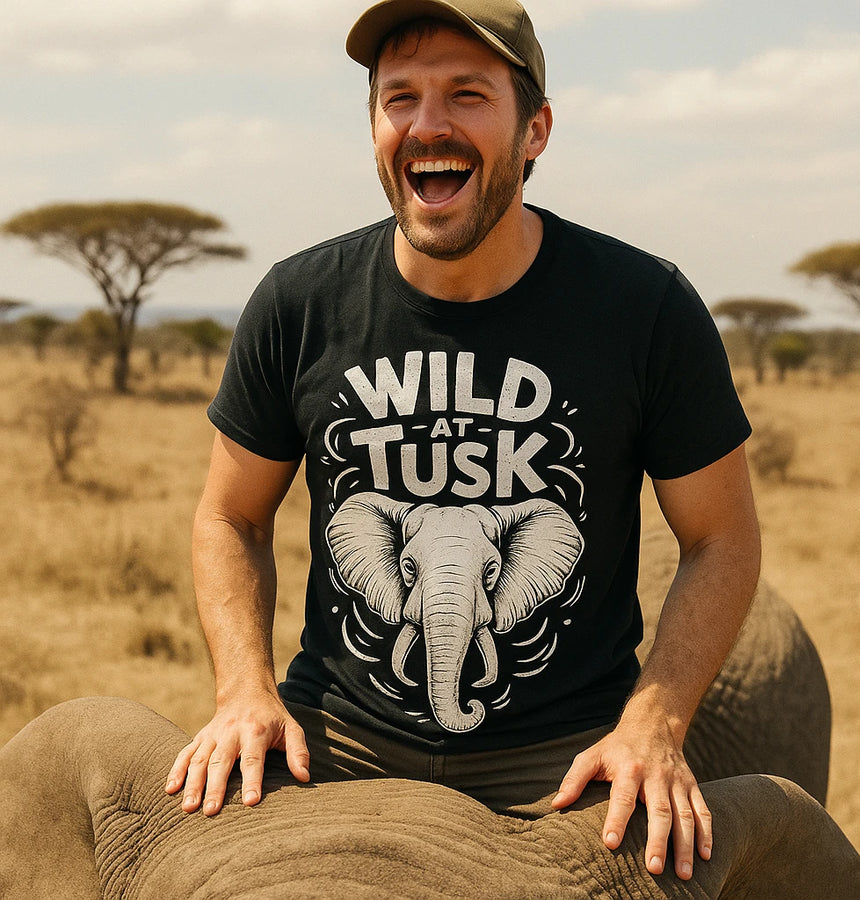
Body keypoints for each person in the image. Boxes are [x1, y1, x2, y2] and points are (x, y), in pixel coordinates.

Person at [165, 0, 760, 884]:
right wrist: (242, 692)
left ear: (536, 130)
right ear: (373, 125)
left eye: (468, 95)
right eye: (399, 96)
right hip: (339, 742)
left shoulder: (645, 311)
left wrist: (653, 725)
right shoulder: (300, 303)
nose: (427, 124)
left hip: (560, 762)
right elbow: (230, 517)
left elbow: (722, 538)